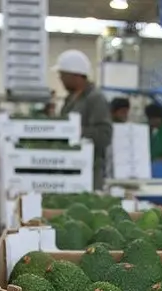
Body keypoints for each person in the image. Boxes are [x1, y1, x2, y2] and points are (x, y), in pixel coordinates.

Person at [54, 50, 112, 190]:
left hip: (89, 174)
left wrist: (72, 131)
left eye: (63, 75)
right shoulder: (70, 100)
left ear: (75, 75)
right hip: (69, 170)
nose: (60, 79)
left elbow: (104, 135)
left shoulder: (95, 99)